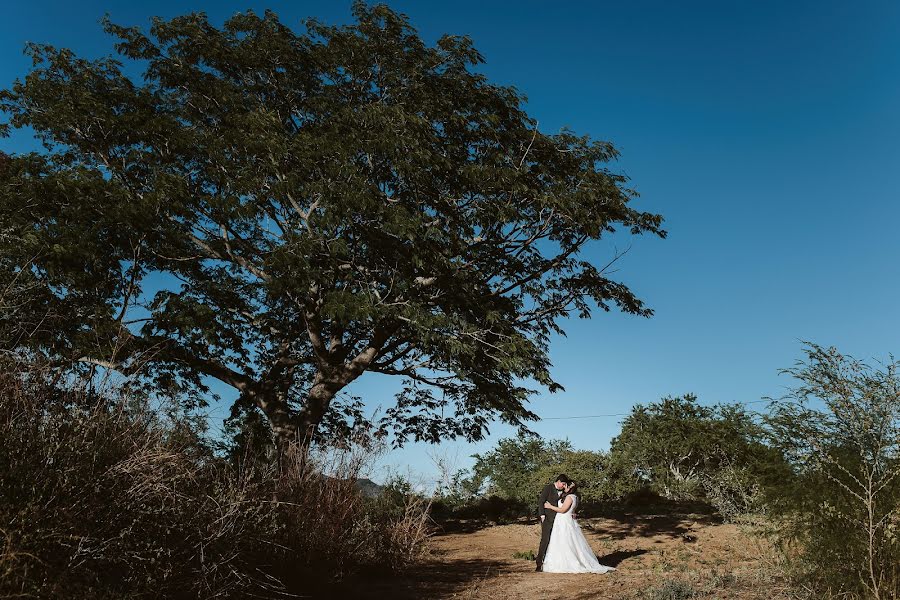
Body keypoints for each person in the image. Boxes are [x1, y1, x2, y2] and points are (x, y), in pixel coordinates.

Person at [541, 480, 616, 574]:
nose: (564, 487)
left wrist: (550, 506)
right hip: (564, 520)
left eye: (566, 486)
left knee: (565, 541)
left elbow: (563, 510)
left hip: (564, 521)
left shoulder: (569, 497)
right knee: (565, 541)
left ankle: (566, 562)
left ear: (570, 488)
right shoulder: (575, 497)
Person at [535, 474, 569, 571]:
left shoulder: (564, 492)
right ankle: (539, 562)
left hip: (559, 519)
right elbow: (541, 501)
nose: (563, 486)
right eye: (562, 484)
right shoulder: (548, 488)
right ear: (558, 481)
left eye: (564, 485)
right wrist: (542, 515)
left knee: (556, 540)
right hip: (547, 518)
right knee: (545, 540)